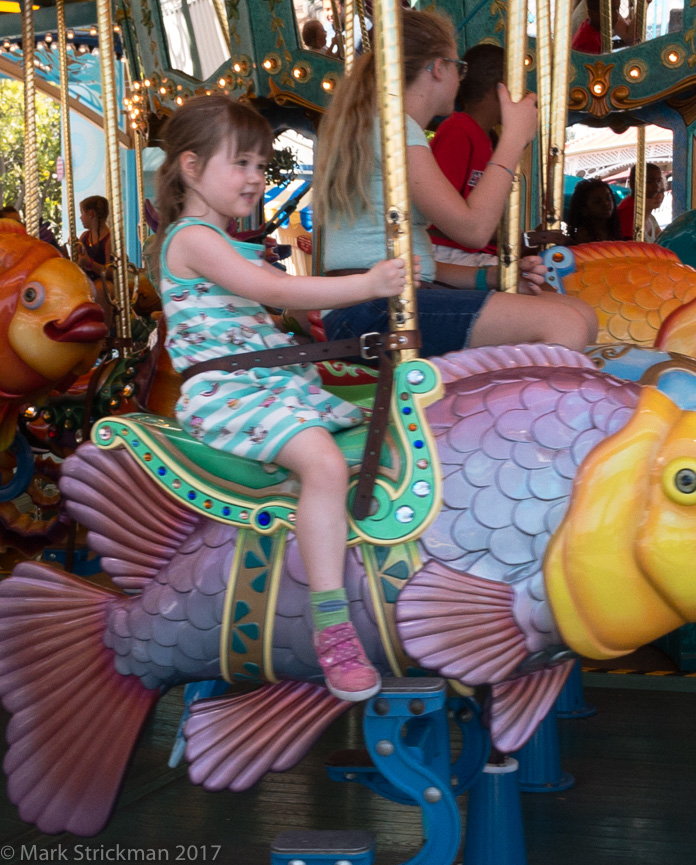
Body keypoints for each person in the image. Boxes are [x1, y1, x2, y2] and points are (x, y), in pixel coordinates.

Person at [148, 94, 410, 702]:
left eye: (262, 166)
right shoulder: (191, 239)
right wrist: (367, 284)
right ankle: (332, 627)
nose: (255, 178)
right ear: (191, 168)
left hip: (266, 382)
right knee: (321, 461)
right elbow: (272, 290)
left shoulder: (227, 239)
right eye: (240, 164)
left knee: (391, 408)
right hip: (231, 394)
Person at [314, 8, 597, 358]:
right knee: (565, 324)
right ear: (437, 67)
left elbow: (418, 258)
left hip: (373, 305)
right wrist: (512, 141)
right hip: (373, 310)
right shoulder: (395, 129)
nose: (460, 79)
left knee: (581, 313)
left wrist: (488, 277)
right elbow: (474, 229)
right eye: (457, 68)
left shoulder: (378, 124)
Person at [429, 43, 504, 268]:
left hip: (473, 251)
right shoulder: (459, 130)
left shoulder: (486, 139)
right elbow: (440, 212)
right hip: (450, 251)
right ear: (500, 88)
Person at [564, 178, 623, 245]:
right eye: (597, 202)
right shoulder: (584, 236)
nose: (606, 203)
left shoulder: (613, 230)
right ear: (584, 208)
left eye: (608, 198)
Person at [617, 162, 666, 242]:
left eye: (658, 181)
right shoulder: (629, 212)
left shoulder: (648, 216)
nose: (656, 186)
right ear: (634, 184)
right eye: (650, 181)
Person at [78, 195, 113, 281]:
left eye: (82, 213)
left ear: (91, 214)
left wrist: (90, 263)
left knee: (99, 288)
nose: (80, 217)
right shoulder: (84, 236)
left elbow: (112, 272)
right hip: (88, 281)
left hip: (104, 283)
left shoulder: (109, 240)